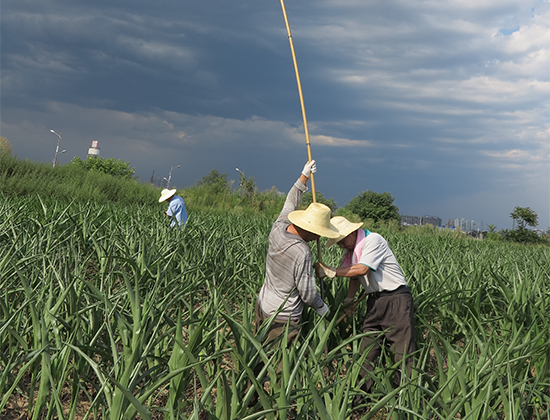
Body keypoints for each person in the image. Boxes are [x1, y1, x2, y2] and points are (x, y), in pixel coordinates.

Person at [315, 216, 416, 406]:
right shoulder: (353, 250)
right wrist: (349, 300)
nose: (341, 245)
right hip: (374, 301)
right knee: (366, 351)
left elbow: (361, 270)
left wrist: (332, 271)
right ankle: (360, 400)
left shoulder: (373, 240)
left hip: (396, 300)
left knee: (402, 352)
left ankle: (407, 401)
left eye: (342, 240)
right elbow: (353, 276)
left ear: (352, 233)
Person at [255, 160, 341, 345]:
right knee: (279, 366)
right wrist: (321, 306)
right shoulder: (301, 252)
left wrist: (303, 176)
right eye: (319, 233)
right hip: (283, 317)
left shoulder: (279, 226)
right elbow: (308, 293)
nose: (318, 237)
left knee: (259, 356)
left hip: (263, 304)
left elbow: (290, 201)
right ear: (310, 230)